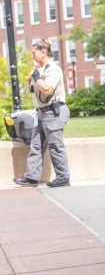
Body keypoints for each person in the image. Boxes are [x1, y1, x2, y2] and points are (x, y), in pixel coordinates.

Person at [14, 39, 71, 188]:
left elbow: (47, 90)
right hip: (41, 113)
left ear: (43, 52)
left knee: (55, 146)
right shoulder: (40, 69)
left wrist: (36, 77)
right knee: (36, 145)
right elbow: (35, 90)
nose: (32, 56)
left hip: (54, 112)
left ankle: (63, 177)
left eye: (34, 53)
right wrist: (31, 80)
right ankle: (31, 177)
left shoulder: (53, 69)